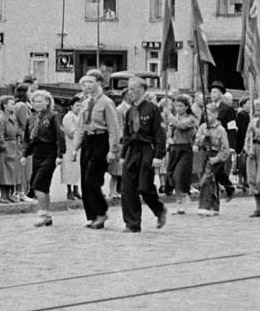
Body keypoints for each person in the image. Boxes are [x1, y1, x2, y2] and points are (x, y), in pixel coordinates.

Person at [118, 77, 167, 233]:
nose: (129, 92)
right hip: (132, 150)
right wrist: (123, 155)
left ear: (142, 90)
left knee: (144, 186)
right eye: (129, 89)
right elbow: (127, 135)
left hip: (147, 149)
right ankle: (132, 224)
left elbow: (159, 134)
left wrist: (158, 155)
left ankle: (159, 210)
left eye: (133, 89)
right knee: (127, 188)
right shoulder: (130, 111)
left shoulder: (152, 109)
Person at [74, 70, 120, 230]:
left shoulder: (107, 102)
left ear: (99, 83)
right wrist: (75, 148)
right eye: (85, 83)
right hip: (88, 141)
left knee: (92, 179)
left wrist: (112, 149)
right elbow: (80, 127)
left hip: (101, 140)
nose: (87, 85)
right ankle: (92, 216)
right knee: (84, 181)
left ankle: (101, 212)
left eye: (91, 82)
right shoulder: (86, 102)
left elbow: (114, 128)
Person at [23, 89, 65, 227]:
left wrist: (60, 154)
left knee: (38, 185)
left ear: (47, 102)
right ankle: (47, 215)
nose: (37, 104)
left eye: (40, 101)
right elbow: (27, 138)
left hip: (49, 152)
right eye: (34, 101)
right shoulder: (31, 118)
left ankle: (42, 214)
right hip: (37, 153)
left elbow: (60, 135)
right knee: (44, 187)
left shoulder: (53, 116)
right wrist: (25, 154)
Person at [165, 94, 198, 214]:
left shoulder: (191, 119)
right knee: (171, 176)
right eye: (176, 106)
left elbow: (181, 126)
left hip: (185, 149)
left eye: (181, 106)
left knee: (179, 175)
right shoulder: (175, 118)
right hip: (174, 148)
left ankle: (185, 196)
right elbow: (170, 132)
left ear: (187, 107)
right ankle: (179, 202)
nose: (178, 108)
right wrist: (169, 139)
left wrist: (170, 116)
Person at [196, 108, 230, 217]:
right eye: (205, 114)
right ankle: (214, 207)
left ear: (216, 114)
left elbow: (225, 149)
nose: (207, 117)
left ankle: (204, 206)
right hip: (204, 154)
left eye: (210, 114)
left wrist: (216, 159)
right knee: (211, 182)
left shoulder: (221, 130)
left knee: (206, 180)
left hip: (215, 155)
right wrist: (203, 137)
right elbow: (197, 142)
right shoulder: (203, 127)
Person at [207, 81, 239, 197]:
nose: (212, 94)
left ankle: (225, 187)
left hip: (222, 141)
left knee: (218, 167)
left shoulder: (227, 108)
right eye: (211, 92)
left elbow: (231, 128)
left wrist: (232, 145)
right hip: (210, 142)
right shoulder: (208, 107)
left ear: (221, 94)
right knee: (214, 168)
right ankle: (224, 187)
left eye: (215, 92)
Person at [0, 95, 23, 203]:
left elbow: (17, 132)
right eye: (11, 104)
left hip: (14, 147)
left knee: (12, 172)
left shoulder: (13, 118)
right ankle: (3, 196)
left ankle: (9, 195)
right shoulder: (1, 119)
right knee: (4, 173)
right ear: (4, 105)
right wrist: (3, 145)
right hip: (5, 149)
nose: (13, 106)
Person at [61, 96, 83, 200]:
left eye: (80, 106)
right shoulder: (68, 117)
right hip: (70, 146)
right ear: (71, 106)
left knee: (77, 169)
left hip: (79, 146)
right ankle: (69, 191)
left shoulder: (80, 117)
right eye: (77, 105)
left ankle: (76, 190)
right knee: (69, 168)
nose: (79, 108)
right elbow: (72, 132)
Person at [234, 99, 251, 189]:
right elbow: (242, 130)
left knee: (246, 163)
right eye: (248, 104)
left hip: (246, 142)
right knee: (241, 162)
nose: (250, 106)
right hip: (242, 142)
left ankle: (246, 180)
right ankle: (240, 180)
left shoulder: (248, 115)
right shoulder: (241, 115)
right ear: (243, 105)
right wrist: (244, 143)